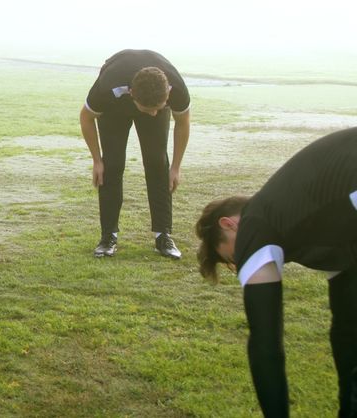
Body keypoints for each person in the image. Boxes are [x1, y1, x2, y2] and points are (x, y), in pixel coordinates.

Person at [195, 127, 357, 417]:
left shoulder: (257, 222)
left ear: (229, 225)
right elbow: (347, 315)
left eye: (233, 256)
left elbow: (265, 344)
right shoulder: (307, 217)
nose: (240, 264)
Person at [79, 49, 190, 259]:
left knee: (157, 162)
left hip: (151, 97)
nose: (155, 114)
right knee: (111, 165)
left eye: (160, 107)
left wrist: (175, 166)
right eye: (150, 109)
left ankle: (163, 235)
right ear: (132, 95)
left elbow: (183, 123)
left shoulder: (176, 88)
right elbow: (86, 118)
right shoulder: (107, 86)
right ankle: (108, 236)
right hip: (114, 110)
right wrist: (96, 160)